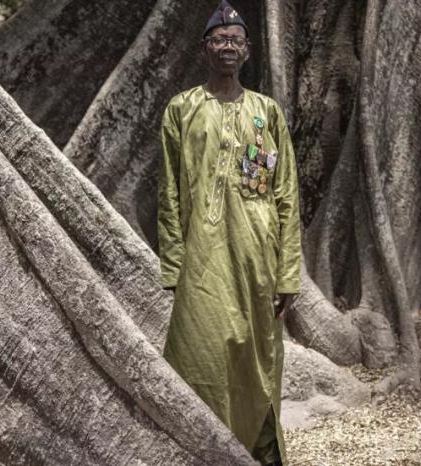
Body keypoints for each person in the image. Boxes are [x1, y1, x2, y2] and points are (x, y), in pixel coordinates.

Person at [157, 1, 302, 464]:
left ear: (247, 51)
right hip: (201, 263)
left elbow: (286, 195)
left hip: (258, 260)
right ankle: (201, 449)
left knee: (257, 359)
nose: (227, 47)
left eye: (235, 41)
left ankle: (260, 452)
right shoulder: (181, 109)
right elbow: (170, 195)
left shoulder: (267, 112)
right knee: (195, 356)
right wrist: (174, 264)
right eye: (219, 40)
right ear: (205, 48)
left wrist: (288, 274)